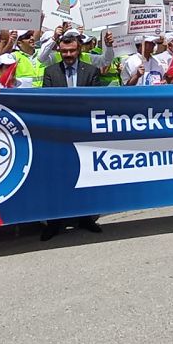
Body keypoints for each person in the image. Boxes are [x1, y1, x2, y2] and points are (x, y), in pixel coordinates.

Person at [40, 33, 103, 239]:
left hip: (83, 131)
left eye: (72, 51)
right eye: (64, 51)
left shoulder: (91, 71)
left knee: (85, 175)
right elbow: (47, 103)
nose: (68, 55)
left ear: (79, 50)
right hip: (59, 132)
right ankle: (54, 221)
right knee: (57, 178)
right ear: (59, 51)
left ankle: (85, 217)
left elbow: (96, 101)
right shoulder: (51, 72)